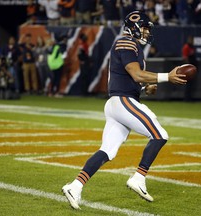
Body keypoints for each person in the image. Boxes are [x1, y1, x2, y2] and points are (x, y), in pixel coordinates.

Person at [62, 11, 186, 210]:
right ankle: (138, 177)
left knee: (107, 151)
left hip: (118, 103)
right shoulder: (126, 42)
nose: (147, 33)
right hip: (121, 101)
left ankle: (74, 186)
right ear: (135, 27)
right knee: (160, 135)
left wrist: (146, 88)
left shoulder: (130, 45)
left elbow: (131, 79)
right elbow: (136, 74)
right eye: (145, 28)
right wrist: (166, 77)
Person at [182, 35, 198, 101]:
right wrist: (188, 67)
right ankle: (186, 98)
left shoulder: (192, 47)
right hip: (188, 69)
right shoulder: (186, 47)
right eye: (191, 40)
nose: (192, 41)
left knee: (191, 84)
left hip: (192, 68)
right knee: (187, 84)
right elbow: (185, 57)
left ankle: (189, 97)